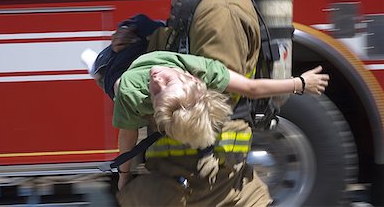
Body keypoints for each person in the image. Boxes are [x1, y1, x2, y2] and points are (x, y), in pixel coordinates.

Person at [110, 0, 271, 206]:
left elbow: (219, 93)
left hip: (209, 172)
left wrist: (138, 99)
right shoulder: (196, 1)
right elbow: (184, 56)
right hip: (192, 170)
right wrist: (141, 36)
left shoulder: (219, 10)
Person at [107, 51, 328, 206]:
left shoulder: (134, 91)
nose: (156, 80)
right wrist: (301, 83)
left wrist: (123, 175)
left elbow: (252, 88)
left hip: (125, 72)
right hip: (135, 57)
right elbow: (252, 88)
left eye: (159, 90)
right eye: (163, 86)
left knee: (106, 72)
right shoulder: (200, 71)